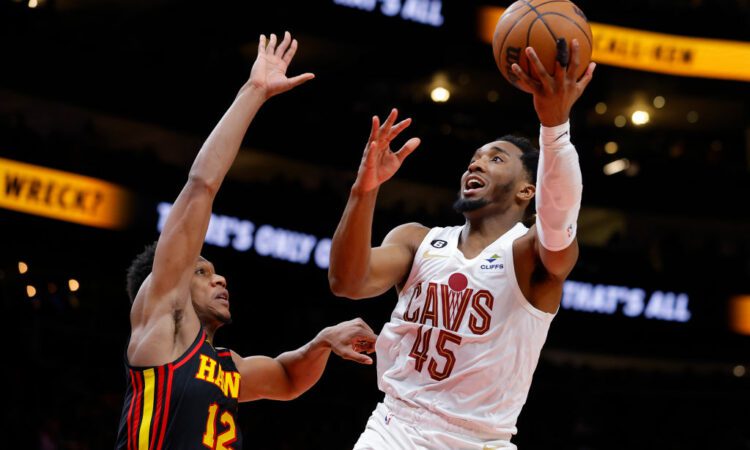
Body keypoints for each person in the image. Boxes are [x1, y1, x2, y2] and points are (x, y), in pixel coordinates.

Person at [115, 31, 377, 450]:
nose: (220, 280)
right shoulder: (161, 325)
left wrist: (322, 342)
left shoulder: (226, 366)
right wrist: (254, 92)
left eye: (215, 272)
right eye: (202, 272)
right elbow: (201, 186)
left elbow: (288, 379)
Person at [328, 40, 595, 449]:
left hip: (478, 440)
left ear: (527, 190)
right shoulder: (417, 240)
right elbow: (346, 281)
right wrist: (364, 190)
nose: (476, 163)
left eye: (495, 158)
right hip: (395, 427)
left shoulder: (529, 255)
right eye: (475, 157)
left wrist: (555, 126)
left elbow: (560, 217)